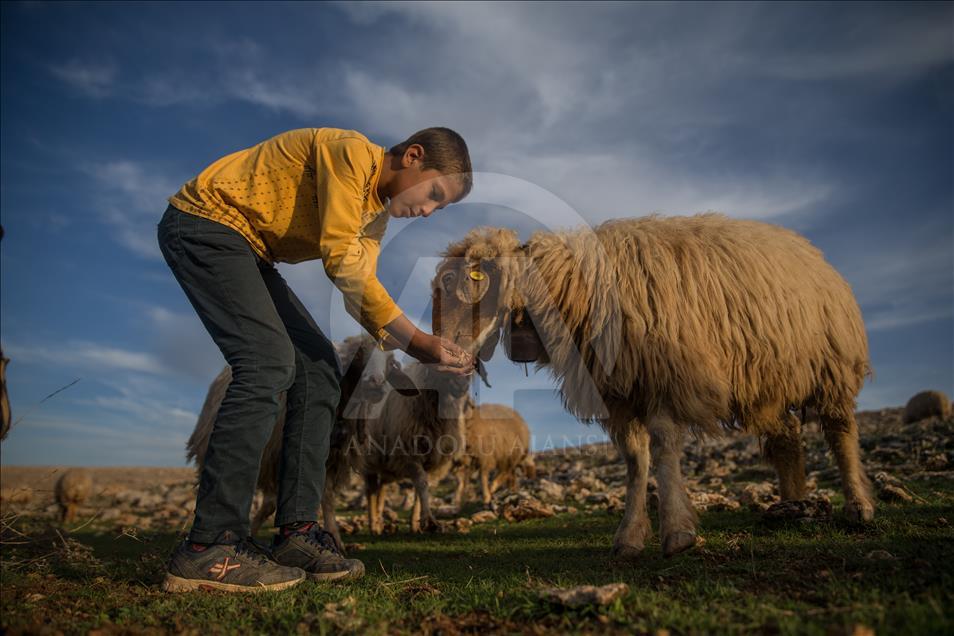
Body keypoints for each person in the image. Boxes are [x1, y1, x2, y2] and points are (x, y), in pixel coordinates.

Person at [157, 127, 475, 593]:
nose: (427, 212)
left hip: (251, 251)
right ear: (412, 156)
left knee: (320, 372)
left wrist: (411, 343)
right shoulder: (348, 155)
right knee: (266, 363)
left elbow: (357, 290)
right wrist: (419, 342)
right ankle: (210, 546)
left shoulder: (374, 217)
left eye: (438, 208)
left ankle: (298, 533)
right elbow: (343, 263)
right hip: (207, 224)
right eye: (433, 195)